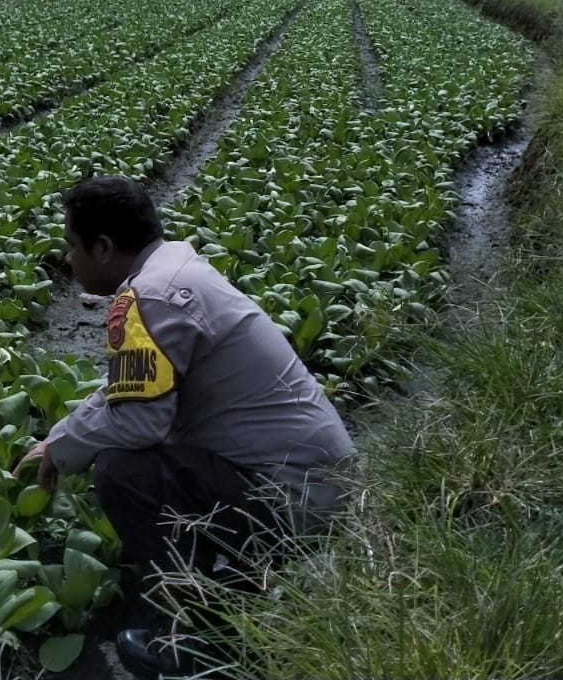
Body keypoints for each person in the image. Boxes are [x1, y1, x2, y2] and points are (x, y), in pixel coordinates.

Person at [18, 175, 355, 677]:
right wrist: (59, 439)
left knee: (122, 473)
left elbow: (139, 423)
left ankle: (197, 637)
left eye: (71, 245)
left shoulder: (150, 297)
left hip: (295, 498)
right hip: (315, 480)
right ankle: (236, 582)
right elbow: (129, 390)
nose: (67, 259)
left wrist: (67, 450)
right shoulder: (173, 271)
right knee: (135, 459)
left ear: (103, 248)